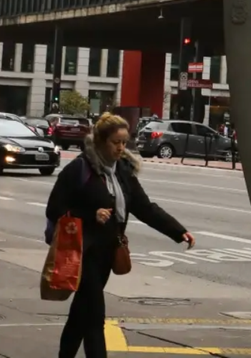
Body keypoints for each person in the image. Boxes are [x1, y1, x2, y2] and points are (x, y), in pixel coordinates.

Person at [45, 112, 195, 358]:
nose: (121, 147)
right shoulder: (80, 169)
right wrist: (89, 214)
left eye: (125, 142)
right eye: (116, 142)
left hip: (107, 253)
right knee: (95, 316)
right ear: (102, 141)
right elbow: (55, 209)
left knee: (82, 312)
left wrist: (179, 231)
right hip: (82, 251)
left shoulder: (122, 171)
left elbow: (145, 208)